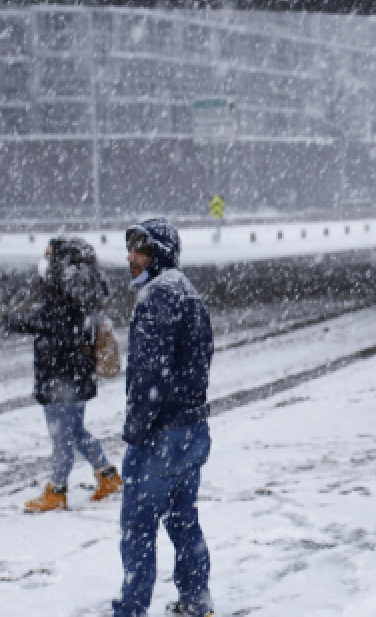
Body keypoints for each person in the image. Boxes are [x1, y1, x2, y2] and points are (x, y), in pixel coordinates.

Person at [113, 219, 215, 617]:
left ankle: (133, 608)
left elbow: (151, 375)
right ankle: (196, 599)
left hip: (162, 436)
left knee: (138, 525)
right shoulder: (187, 293)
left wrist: (137, 431)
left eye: (140, 250)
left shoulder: (158, 295)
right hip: (191, 430)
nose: (131, 258)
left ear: (160, 253)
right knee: (182, 519)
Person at [3, 237, 121, 513]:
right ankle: (108, 476)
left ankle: (56, 491)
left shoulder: (62, 295)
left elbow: (51, 327)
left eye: (49, 257)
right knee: (76, 432)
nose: (44, 262)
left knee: (61, 437)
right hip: (74, 376)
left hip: (61, 379)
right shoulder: (79, 292)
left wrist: (15, 322)